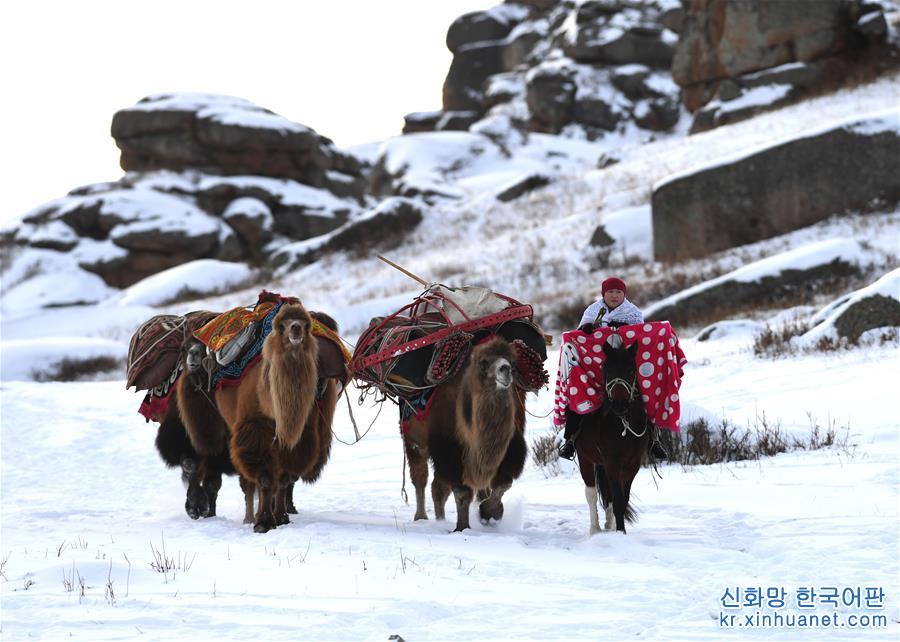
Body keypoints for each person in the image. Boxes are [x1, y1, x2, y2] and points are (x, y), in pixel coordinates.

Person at [557, 277, 667, 461]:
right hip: (596, 366)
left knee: (646, 395)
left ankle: (654, 441)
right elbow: (579, 338)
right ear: (603, 294)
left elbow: (641, 336)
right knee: (579, 391)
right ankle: (570, 439)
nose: (614, 296)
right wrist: (587, 330)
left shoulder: (633, 313)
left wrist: (625, 329)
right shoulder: (592, 311)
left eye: (618, 292)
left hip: (624, 366)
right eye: (610, 292)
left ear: (624, 294)